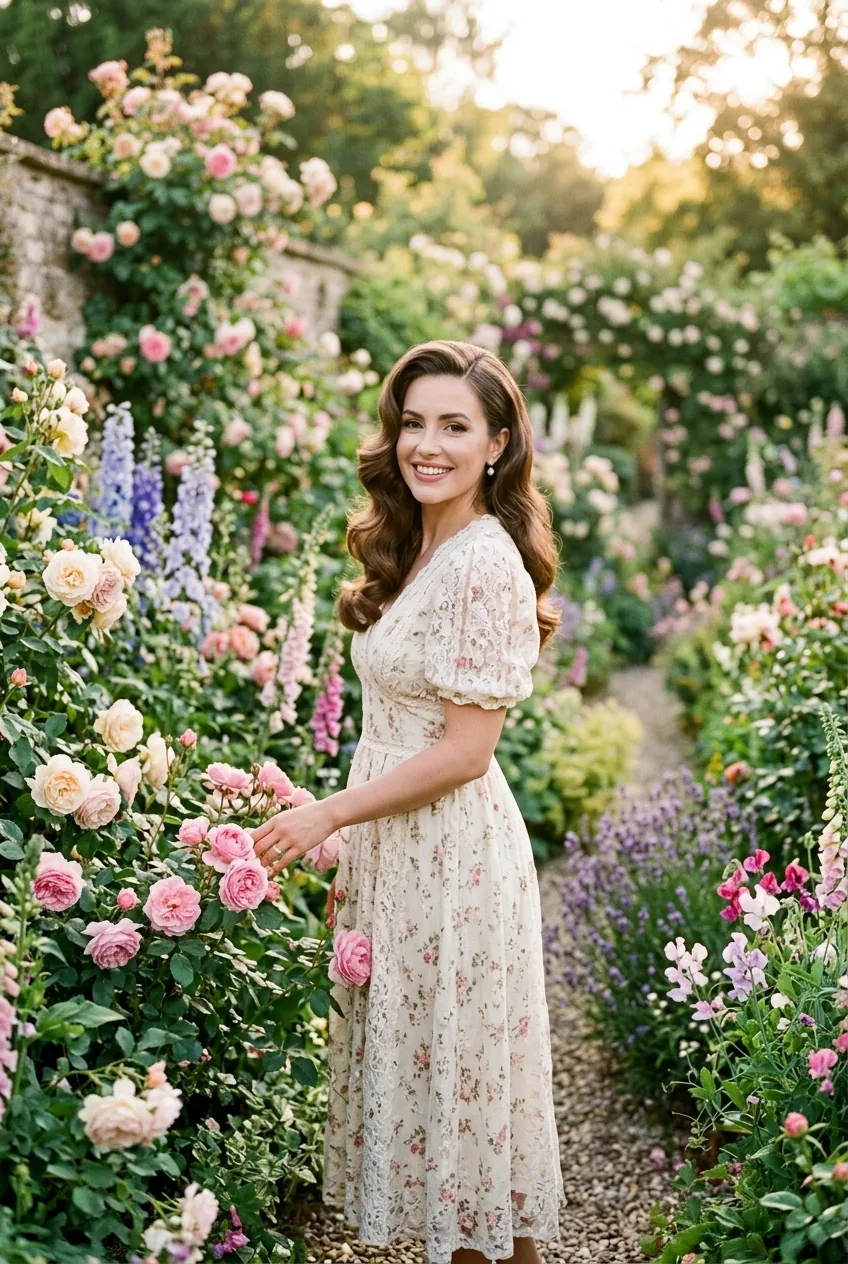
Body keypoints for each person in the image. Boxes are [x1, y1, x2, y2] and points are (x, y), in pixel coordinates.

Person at [252, 340, 566, 1263]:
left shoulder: (485, 565)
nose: (427, 445)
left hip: (453, 854)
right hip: (396, 847)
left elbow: (467, 754)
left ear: (498, 444)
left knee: (465, 1108)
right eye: (414, 423)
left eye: (454, 427)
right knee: (438, 1095)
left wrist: (331, 813)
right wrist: (335, 808)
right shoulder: (420, 544)